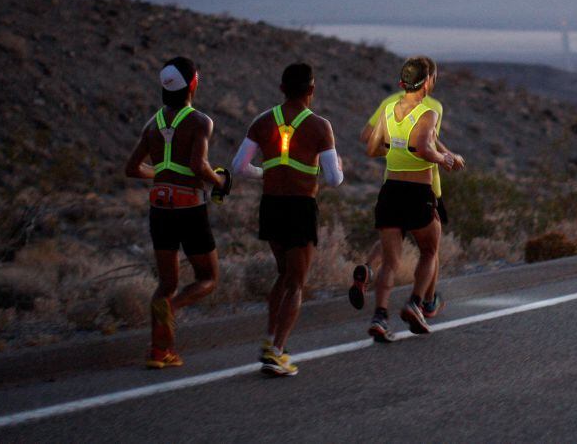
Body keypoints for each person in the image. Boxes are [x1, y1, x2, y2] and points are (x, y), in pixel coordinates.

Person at [232, 62, 343, 376]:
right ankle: (277, 352)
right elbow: (333, 179)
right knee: (296, 283)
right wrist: (342, 169)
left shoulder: (262, 121)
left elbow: (239, 167)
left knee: (283, 275)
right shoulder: (320, 126)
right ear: (311, 89)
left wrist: (266, 172)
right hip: (300, 208)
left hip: (271, 206)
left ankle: (270, 341)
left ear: (282, 88)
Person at [125, 56, 230, 369]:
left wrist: (161, 172)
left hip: (159, 208)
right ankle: (173, 308)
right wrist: (220, 182)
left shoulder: (151, 124)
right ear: (193, 85)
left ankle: (160, 352)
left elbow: (131, 168)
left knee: (165, 283)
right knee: (208, 277)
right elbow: (199, 166)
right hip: (189, 207)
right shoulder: (200, 121)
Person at [350, 56, 465, 319]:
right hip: (423, 188)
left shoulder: (390, 105)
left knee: (392, 252)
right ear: (427, 81)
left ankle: (377, 304)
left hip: (391, 187)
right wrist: (446, 158)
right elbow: (427, 144)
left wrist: (395, 148)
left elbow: (368, 141)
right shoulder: (432, 107)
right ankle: (423, 302)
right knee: (429, 250)